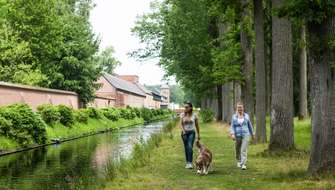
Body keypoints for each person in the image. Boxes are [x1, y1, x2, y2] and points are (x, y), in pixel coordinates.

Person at [230, 102, 255, 170]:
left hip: (245, 134)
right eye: (238, 107)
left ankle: (243, 164)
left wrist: (252, 133)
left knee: (243, 149)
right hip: (237, 135)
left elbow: (249, 125)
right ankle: (238, 160)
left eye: (241, 107)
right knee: (237, 148)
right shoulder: (234, 116)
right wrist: (232, 134)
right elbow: (232, 126)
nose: (240, 109)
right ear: (237, 108)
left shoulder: (246, 116)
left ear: (243, 108)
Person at [180, 102, 200, 169]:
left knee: (190, 146)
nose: (185, 108)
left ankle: (190, 163)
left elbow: (197, 125)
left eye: (187, 107)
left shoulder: (194, 115)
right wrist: (183, 131)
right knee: (186, 147)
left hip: (192, 132)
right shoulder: (182, 115)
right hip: (184, 133)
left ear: (190, 108)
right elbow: (181, 124)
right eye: (185, 107)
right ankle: (187, 162)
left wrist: (198, 134)